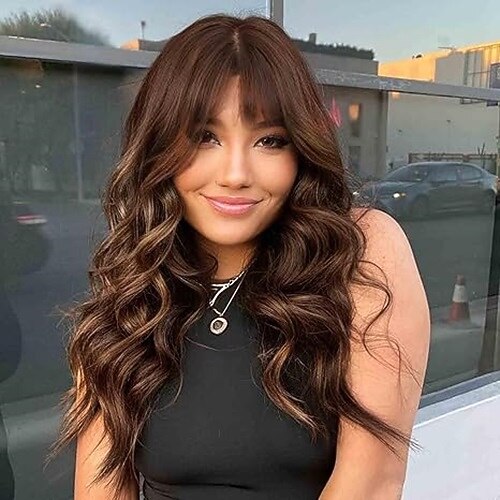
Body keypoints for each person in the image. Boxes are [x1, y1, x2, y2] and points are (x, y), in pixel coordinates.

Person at [48, 13, 430, 500]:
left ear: (300, 151)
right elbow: (100, 487)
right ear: (159, 146)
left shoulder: (361, 251)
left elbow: (372, 482)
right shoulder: (135, 284)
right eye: (205, 137)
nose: (235, 174)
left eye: (269, 140)